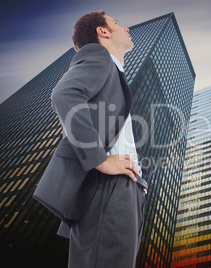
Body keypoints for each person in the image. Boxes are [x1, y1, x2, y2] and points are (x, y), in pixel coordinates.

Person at [33, 11, 148, 267]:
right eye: (118, 23)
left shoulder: (115, 77)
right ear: (103, 32)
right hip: (107, 186)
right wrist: (100, 160)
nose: (126, 28)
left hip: (127, 191)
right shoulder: (99, 56)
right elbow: (64, 94)